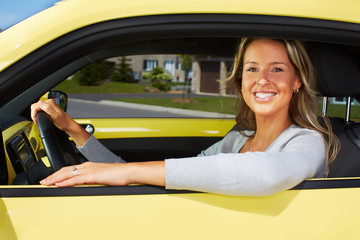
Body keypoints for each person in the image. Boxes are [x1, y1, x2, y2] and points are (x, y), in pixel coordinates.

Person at [31, 38, 339, 196]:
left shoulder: (307, 142)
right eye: (252, 68)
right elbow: (130, 173)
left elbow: (268, 174)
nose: (263, 80)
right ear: (241, 80)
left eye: (277, 68)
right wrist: (72, 130)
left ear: (297, 81)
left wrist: (128, 173)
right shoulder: (234, 142)